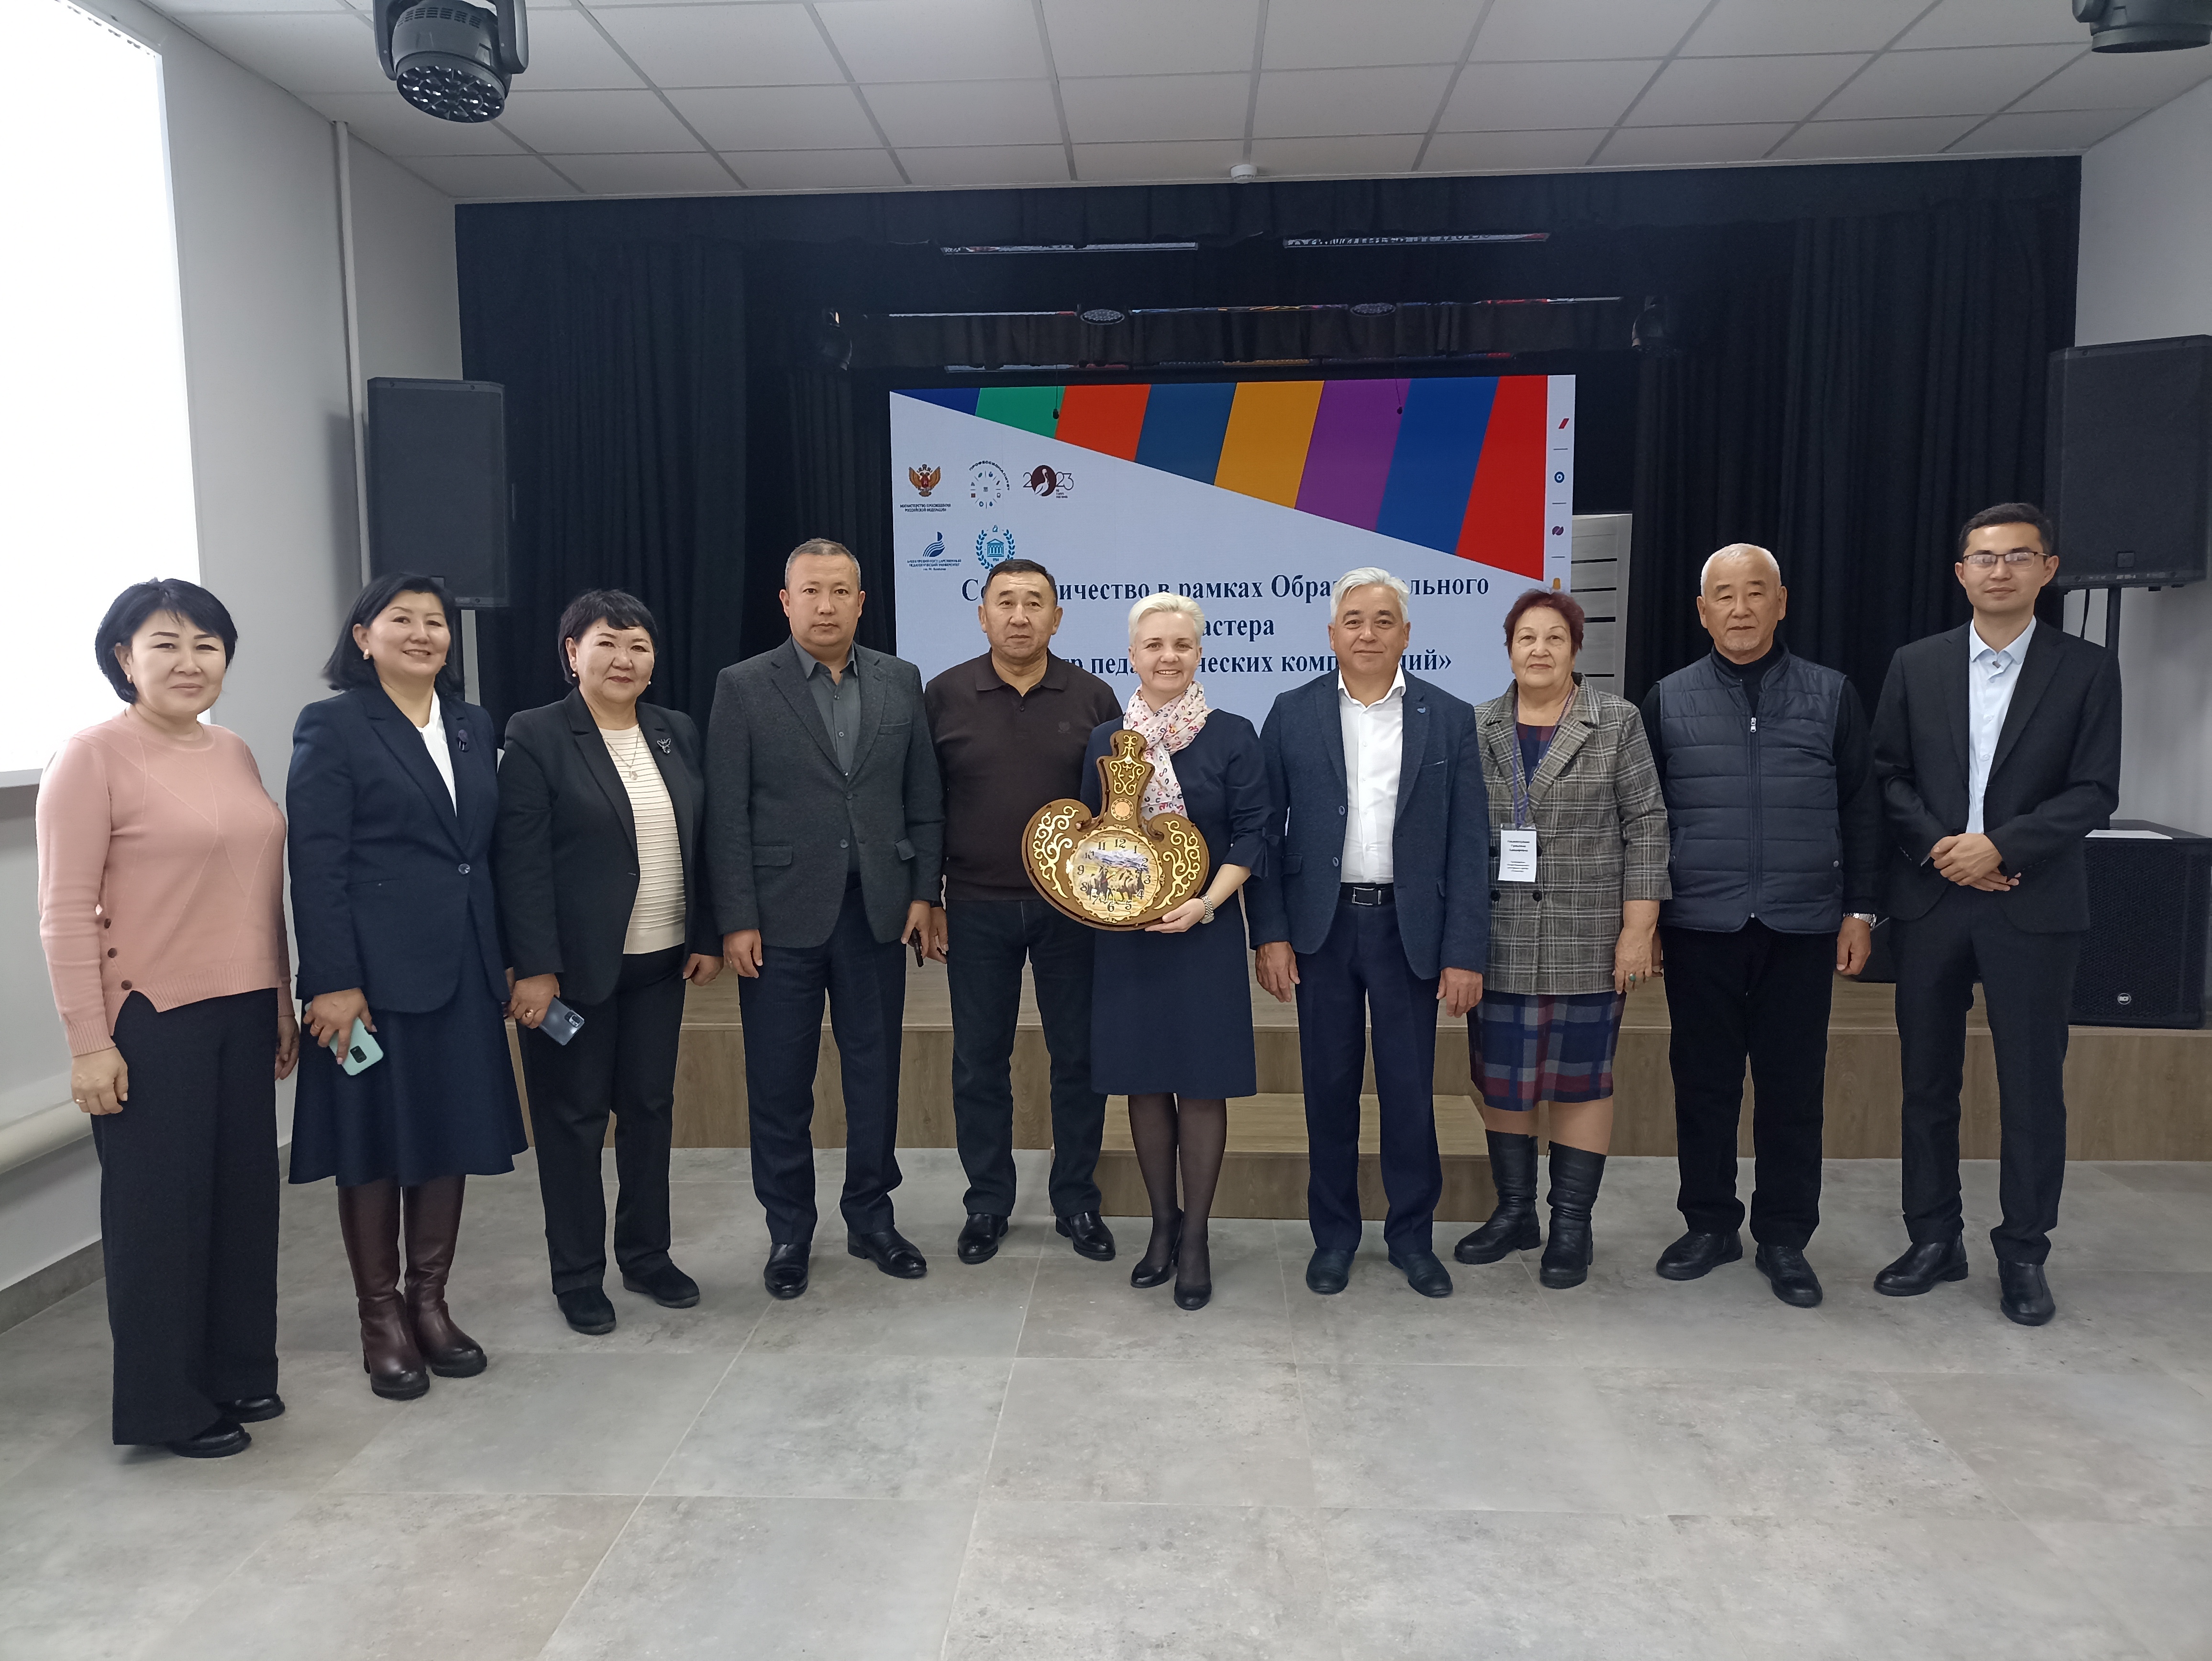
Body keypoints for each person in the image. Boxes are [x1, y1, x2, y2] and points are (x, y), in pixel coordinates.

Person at [34, 580, 295, 1459]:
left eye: (207, 646)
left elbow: (257, 891)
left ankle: (237, 1369)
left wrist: (280, 996)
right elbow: (64, 913)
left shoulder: (234, 750)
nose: (190, 662)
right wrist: (89, 1043)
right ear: (124, 658)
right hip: (150, 1018)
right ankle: (166, 1407)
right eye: (166, 644)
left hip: (243, 1008)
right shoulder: (92, 756)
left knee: (242, 1202)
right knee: (160, 1220)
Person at [1870, 503, 2121, 1326]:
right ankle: (1933, 1238)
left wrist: (2001, 848)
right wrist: (1944, 848)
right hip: (1933, 900)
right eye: (1984, 557)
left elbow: (2095, 791)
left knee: (2032, 1088)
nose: (2000, 570)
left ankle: (2023, 1253)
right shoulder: (1916, 664)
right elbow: (1888, 774)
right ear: (1961, 573)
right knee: (1927, 1084)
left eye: (2018, 556)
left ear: (2049, 569)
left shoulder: (2088, 670)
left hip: (2033, 904)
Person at [288, 573, 528, 1400]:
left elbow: (481, 855)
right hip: (370, 983)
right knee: (373, 1144)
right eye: (403, 619)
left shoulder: (471, 723)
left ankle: (430, 1303)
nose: (424, 633)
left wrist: (504, 956)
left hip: (462, 970)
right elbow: (316, 862)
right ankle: (380, 1317)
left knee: (448, 1133)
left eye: (436, 621)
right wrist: (332, 981)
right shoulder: (333, 725)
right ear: (363, 637)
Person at [1639, 545, 1882, 1309]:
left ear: (1782, 603)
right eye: (1724, 595)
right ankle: (1710, 1223)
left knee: (1792, 1088)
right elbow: (1645, 820)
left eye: (1755, 593)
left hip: (1802, 925)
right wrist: (1646, 917)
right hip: (1700, 922)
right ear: (1702, 611)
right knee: (1703, 1084)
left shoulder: (1832, 695)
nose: (1740, 608)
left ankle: (1784, 1235)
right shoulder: (1667, 700)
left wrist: (1859, 910)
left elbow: (1862, 808)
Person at [705, 539, 944, 1301]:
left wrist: (924, 891)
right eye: (811, 591)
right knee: (780, 1083)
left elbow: (923, 796)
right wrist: (736, 916)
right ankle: (789, 1230)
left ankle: (872, 1218)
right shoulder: (744, 686)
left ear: (861, 602)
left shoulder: (900, 679)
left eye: (841, 591)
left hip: (876, 913)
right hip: (778, 919)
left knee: (876, 1076)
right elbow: (727, 814)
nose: (826, 605)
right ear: (786, 601)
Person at [1250, 568, 1489, 1300]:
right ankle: (1335, 1238)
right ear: (1332, 634)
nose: (1368, 633)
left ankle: (1412, 1238)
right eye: (1354, 620)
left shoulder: (1449, 717)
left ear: (1406, 634)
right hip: (1321, 931)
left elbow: (1468, 842)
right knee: (1328, 1089)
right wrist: (1271, 934)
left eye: (1384, 620)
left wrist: (1464, 952)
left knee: (1409, 1092)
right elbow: (1265, 834)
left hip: (1409, 930)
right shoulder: (1291, 713)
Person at [496, 590, 725, 1335]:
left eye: (639, 646)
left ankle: (647, 1256)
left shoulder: (674, 731)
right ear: (573, 654)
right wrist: (534, 966)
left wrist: (705, 933)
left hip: (660, 964)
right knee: (573, 1122)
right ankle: (577, 1276)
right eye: (607, 643)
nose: (624, 659)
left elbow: (702, 841)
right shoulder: (536, 734)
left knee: (650, 1113)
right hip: (571, 978)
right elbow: (521, 863)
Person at [1455, 589, 1668, 1289]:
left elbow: (1647, 826)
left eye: (1555, 637)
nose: (1540, 649)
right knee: (1505, 1080)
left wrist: (1638, 930)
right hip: (1500, 935)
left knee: (1580, 1084)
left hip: (1589, 936)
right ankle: (1515, 1212)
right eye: (1527, 638)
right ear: (1509, 649)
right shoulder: (1477, 724)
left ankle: (1571, 1225)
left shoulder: (1616, 721)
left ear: (1576, 648)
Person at [923, 557, 1123, 1266]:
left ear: (1057, 618)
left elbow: (1117, 812)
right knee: (980, 1061)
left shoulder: (1094, 697)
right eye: (1005, 602)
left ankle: (1076, 1200)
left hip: (1073, 912)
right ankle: (987, 1202)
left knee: (1078, 1057)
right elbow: (924, 805)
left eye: (1035, 602)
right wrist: (928, 897)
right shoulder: (944, 695)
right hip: (975, 906)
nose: (1019, 615)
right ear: (982, 616)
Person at [1083, 593, 1269, 1312]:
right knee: (1145, 1081)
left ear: (1199, 654)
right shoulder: (1107, 740)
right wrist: (1113, 903)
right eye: (1154, 645)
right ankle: (1161, 1227)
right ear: (1132, 655)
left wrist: (1207, 903)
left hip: (1205, 932)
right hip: (1128, 939)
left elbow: (1253, 833)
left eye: (1181, 645)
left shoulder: (1232, 735)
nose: (1168, 657)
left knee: (1201, 1084)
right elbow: (1090, 840)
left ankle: (1195, 1238)